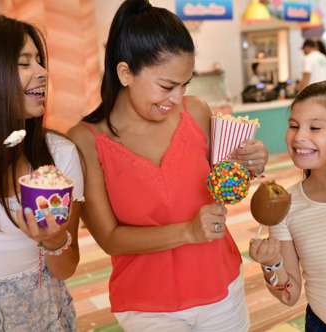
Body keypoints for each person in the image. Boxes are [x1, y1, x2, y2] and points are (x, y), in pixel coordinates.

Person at [68, 1, 268, 331]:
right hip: (148, 306)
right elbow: (110, 238)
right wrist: (188, 231)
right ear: (125, 73)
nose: (177, 98)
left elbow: (226, 183)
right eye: (166, 85)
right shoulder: (86, 140)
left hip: (221, 289)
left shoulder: (198, 112)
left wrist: (248, 163)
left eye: (185, 84)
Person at [0, 16, 84, 331]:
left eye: (40, 61)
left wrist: (52, 239)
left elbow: (65, 269)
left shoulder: (59, 155)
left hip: (41, 313)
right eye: (24, 63)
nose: (43, 73)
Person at [249, 80, 326, 331]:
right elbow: (290, 294)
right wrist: (271, 264)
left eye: (315, 127)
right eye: (293, 126)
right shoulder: (285, 205)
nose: (299, 137)